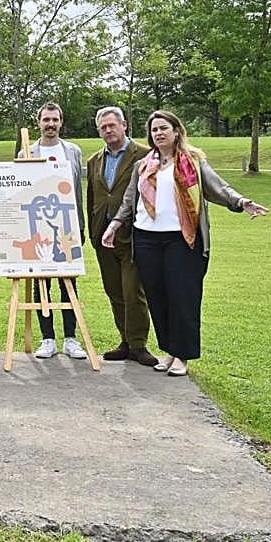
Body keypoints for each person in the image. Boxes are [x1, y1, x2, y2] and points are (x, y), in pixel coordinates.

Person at [102, 110, 268, 377]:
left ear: (176, 131)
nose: (159, 133)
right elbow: (130, 200)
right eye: (154, 130)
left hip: (182, 239)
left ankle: (182, 355)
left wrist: (241, 202)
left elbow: (218, 187)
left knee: (183, 298)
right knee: (158, 298)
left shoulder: (193, 162)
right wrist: (114, 225)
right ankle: (169, 350)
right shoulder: (143, 165)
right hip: (146, 239)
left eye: (164, 128)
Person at [85, 107, 157, 366]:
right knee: (114, 291)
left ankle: (138, 345)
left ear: (124, 125)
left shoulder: (145, 155)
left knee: (132, 292)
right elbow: (93, 198)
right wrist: (93, 232)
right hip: (103, 237)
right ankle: (125, 341)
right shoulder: (94, 161)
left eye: (112, 125)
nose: (108, 130)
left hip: (133, 236)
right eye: (103, 127)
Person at [17, 103, 88, 361]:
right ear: (39, 122)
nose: (50, 124)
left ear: (61, 122)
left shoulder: (72, 151)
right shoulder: (27, 151)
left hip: (68, 227)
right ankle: (47, 338)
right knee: (42, 284)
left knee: (68, 283)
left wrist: (80, 225)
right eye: (46, 119)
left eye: (55, 120)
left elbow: (77, 191)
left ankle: (70, 338)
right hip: (39, 228)